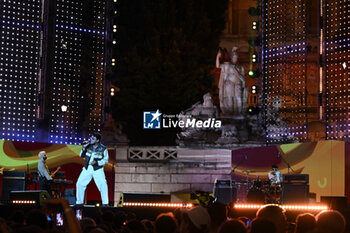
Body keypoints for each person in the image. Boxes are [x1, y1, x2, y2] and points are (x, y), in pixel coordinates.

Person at [76, 132, 109, 206]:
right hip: (87, 168)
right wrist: (84, 147)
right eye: (91, 137)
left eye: (93, 138)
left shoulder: (103, 149)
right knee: (80, 183)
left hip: (97, 169)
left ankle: (105, 203)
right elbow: (81, 155)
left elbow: (106, 160)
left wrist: (97, 162)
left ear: (97, 140)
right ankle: (79, 202)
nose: (91, 139)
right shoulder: (88, 146)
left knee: (103, 185)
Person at [216, 46, 248, 116]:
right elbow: (218, 66)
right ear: (231, 57)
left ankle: (238, 113)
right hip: (229, 84)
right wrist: (218, 57)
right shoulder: (227, 65)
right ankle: (229, 113)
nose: (235, 58)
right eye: (233, 57)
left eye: (236, 57)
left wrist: (238, 74)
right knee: (229, 99)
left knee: (238, 99)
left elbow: (243, 78)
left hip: (237, 84)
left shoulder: (240, 67)